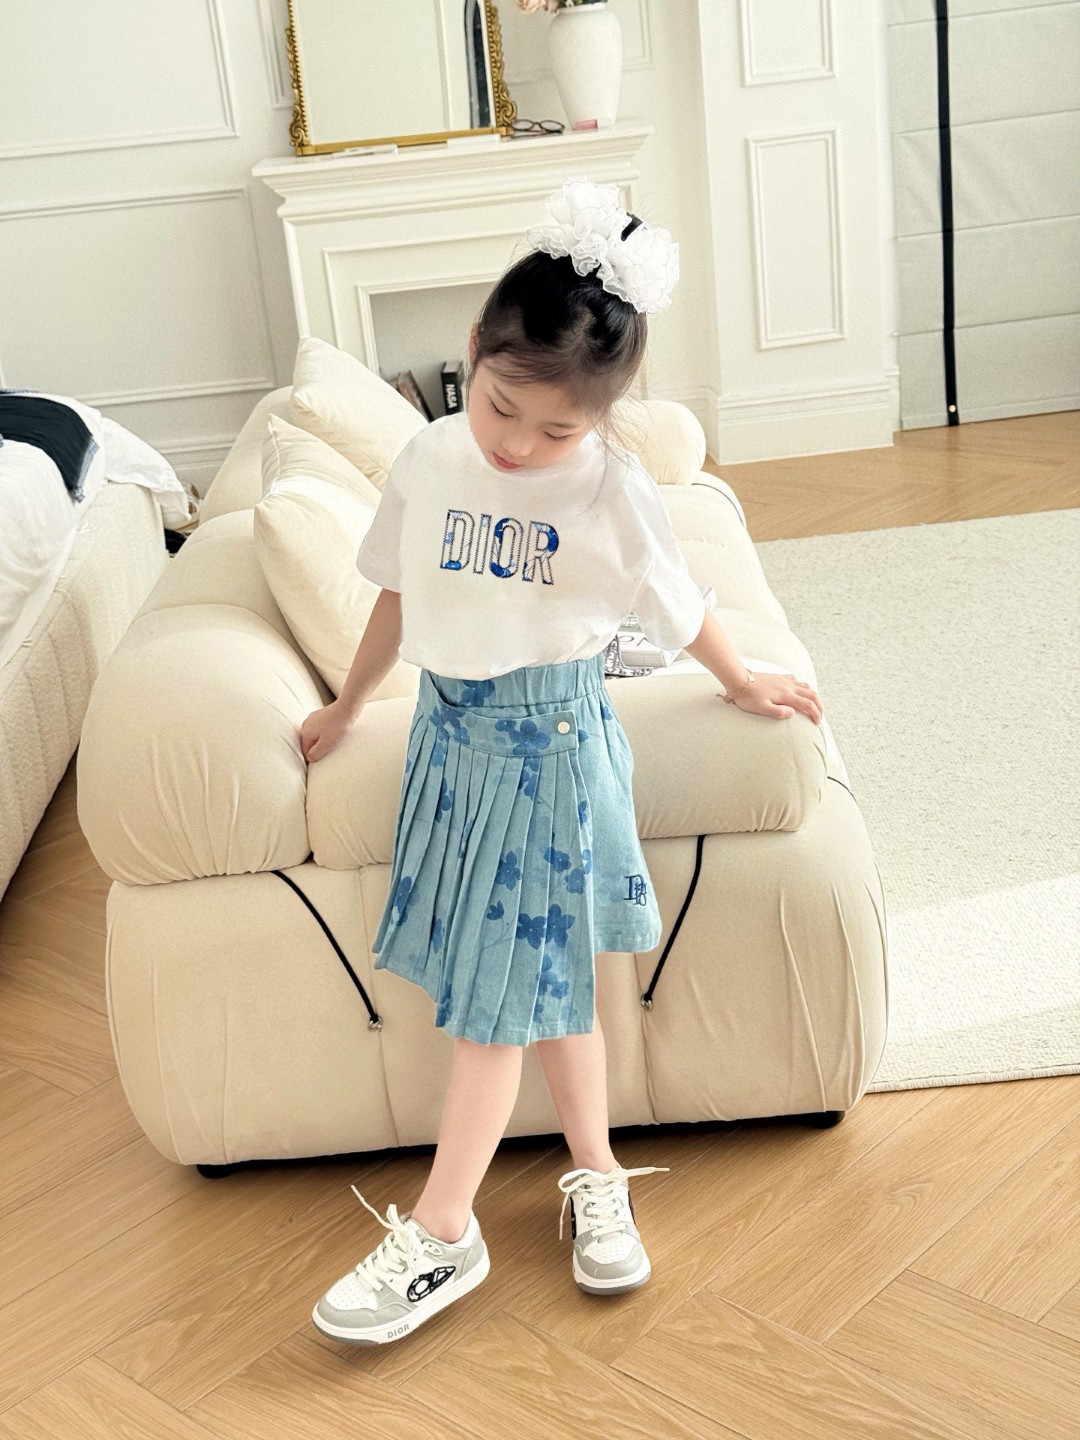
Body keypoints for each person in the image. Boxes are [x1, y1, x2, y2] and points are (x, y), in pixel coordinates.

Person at [299, 176, 824, 1347]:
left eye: (558, 430)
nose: (520, 445)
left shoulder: (611, 487)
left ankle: (445, 1230)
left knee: (497, 1005)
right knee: (544, 986)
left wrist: (743, 681)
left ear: (601, 417)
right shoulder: (431, 460)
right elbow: (397, 594)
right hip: (450, 742)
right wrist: (348, 704)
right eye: (502, 410)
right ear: (474, 352)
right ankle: (597, 1171)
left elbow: (679, 603)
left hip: (553, 751)